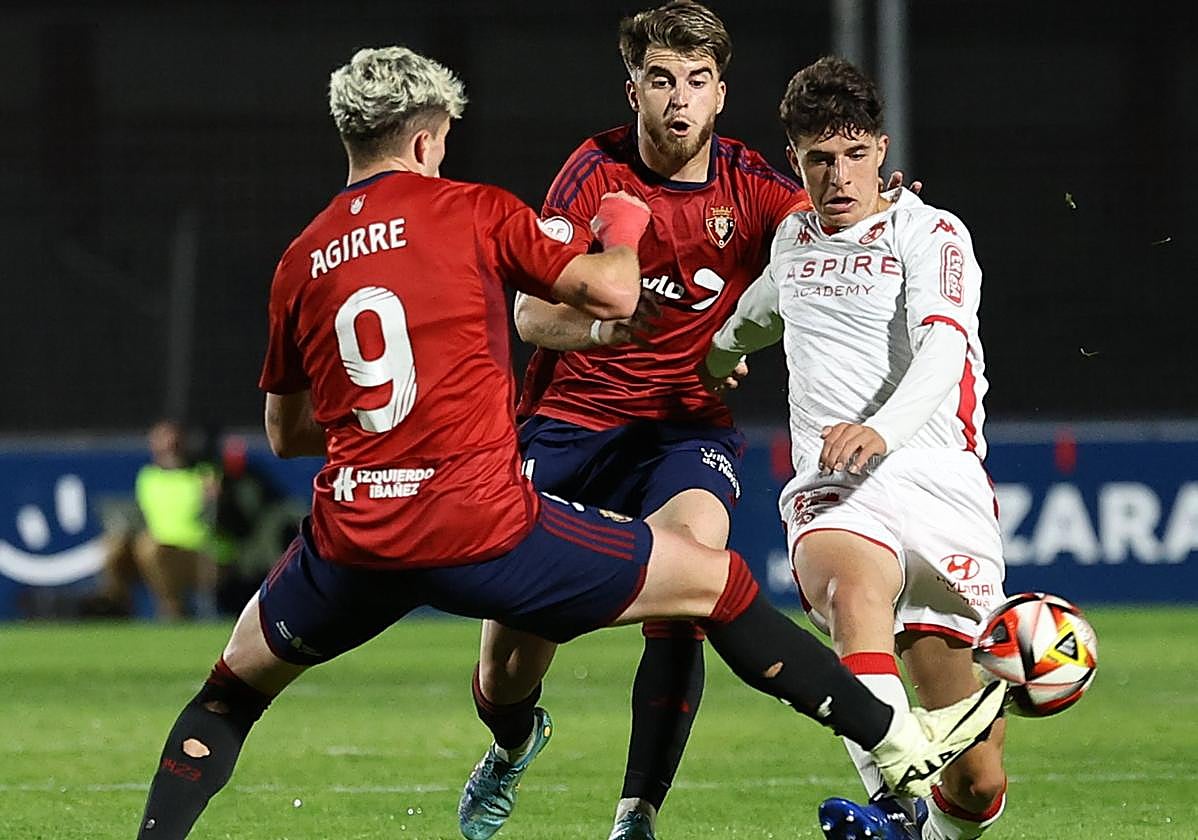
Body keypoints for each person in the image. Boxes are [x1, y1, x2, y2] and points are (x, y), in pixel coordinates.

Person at [133, 45, 1002, 840]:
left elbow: (287, 432)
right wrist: (621, 226)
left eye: (697, 80)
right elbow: (604, 292)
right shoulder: (481, 206)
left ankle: (638, 814)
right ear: (429, 141)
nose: (679, 98)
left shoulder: (302, 257)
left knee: (228, 693)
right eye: (662, 78)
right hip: (489, 508)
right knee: (697, 592)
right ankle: (888, 739)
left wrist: (880, 208)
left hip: (358, 532)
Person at [702, 56, 1009, 840]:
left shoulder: (932, 233)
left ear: (881, 150)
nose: (838, 176)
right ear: (795, 159)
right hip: (839, 486)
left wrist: (883, 430)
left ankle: (924, 827)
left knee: (977, 783)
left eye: (854, 154)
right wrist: (713, 358)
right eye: (819, 159)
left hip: (939, 486)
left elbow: (944, 348)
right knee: (852, 597)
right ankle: (895, 806)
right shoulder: (792, 241)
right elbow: (751, 319)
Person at [85, 419, 218, 620]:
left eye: (173, 443)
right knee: (113, 545)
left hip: (194, 554)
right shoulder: (147, 477)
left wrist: (213, 497)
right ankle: (117, 607)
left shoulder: (204, 474)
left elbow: (219, 519)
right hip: (152, 554)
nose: (169, 448)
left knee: (150, 547)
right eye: (162, 443)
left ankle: (173, 610)